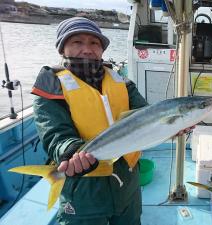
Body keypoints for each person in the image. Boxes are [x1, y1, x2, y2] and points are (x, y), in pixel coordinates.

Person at [31, 17, 147, 225]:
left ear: (102, 49)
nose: (87, 49)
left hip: (126, 182)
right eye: (77, 42)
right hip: (83, 189)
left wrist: (173, 126)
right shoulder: (51, 83)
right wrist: (72, 152)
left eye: (94, 43)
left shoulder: (121, 80)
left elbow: (146, 116)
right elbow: (54, 133)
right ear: (62, 48)